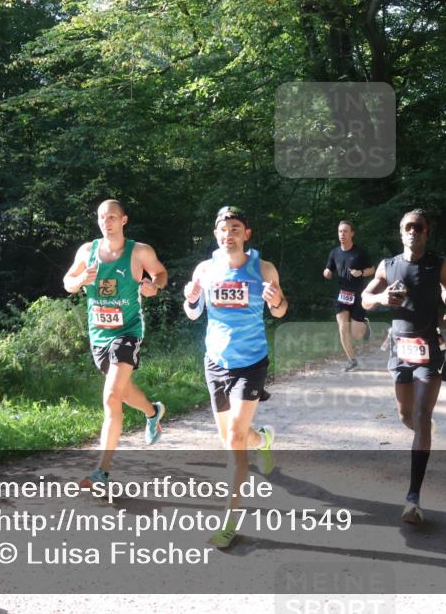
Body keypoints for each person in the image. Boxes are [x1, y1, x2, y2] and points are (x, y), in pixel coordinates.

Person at [183, 206, 286, 547]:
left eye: (236, 228)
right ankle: (264, 439)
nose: (229, 234)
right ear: (216, 234)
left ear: (247, 234)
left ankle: (229, 520)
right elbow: (193, 313)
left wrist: (277, 300)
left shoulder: (263, 268)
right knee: (234, 437)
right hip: (216, 362)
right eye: (224, 229)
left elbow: (280, 311)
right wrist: (191, 299)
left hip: (251, 363)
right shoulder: (205, 269)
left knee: (233, 439)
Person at [63, 199, 168, 488]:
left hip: (128, 331)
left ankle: (102, 471)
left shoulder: (139, 251)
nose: (106, 222)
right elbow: (67, 282)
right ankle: (152, 411)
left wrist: (154, 286)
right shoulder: (88, 251)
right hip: (99, 334)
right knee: (121, 392)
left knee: (111, 396)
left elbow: (160, 273)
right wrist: (80, 280)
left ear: (124, 220)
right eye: (101, 217)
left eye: (111, 217)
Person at [362, 209, 446, 525]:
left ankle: (413, 499)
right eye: (407, 227)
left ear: (426, 232)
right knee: (406, 416)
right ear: (401, 232)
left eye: (418, 227)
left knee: (421, 414)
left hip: (429, 347)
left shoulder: (438, 264)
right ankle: (424, 434)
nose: (413, 231)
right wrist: (380, 300)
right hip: (400, 349)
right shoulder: (388, 266)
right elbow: (364, 298)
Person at [323, 220, 374, 371]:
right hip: (342, 294)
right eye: (340, 231)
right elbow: (328, 269)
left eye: (345, 231)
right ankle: (352, 360)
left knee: (356, 334)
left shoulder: (360, 252)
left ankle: (364, 324)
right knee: (342, 328)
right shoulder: (334, 253)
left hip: (358, 293)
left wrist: (361, 272)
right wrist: (327, 272)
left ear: (352, 233)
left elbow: (372, 270)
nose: (342, 234)